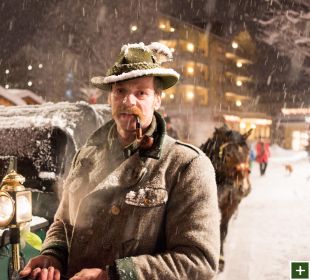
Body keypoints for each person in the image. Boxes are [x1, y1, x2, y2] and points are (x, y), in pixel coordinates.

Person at [20, 42, 220, 280]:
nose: (128, 102)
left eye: (141, 93)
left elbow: (198, 261)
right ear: (110, 98)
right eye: (120, 91)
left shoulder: (186, 166)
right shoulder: (85, 157)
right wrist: (53, 255)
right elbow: (64, 223)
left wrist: (115, 275)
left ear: (157, 99)